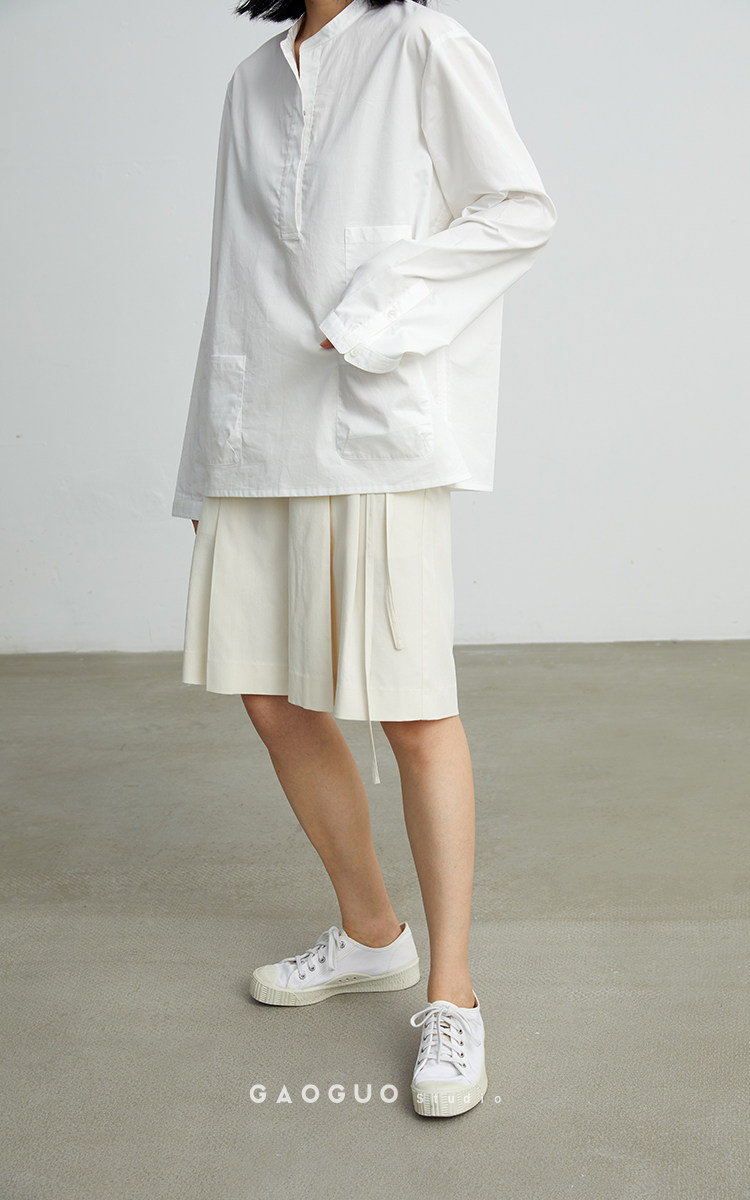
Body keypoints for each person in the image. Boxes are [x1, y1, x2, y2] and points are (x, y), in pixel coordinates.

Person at [172, 0, 556, 1117]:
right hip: (257, 428)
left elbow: (517, 209)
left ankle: (454, 995)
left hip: (372, 423)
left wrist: (377, 311)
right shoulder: (253, 80)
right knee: (272, 699)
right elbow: (234, 274)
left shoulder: (423, 43)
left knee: (412, 707)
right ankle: (372, 934)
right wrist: (206, 458)